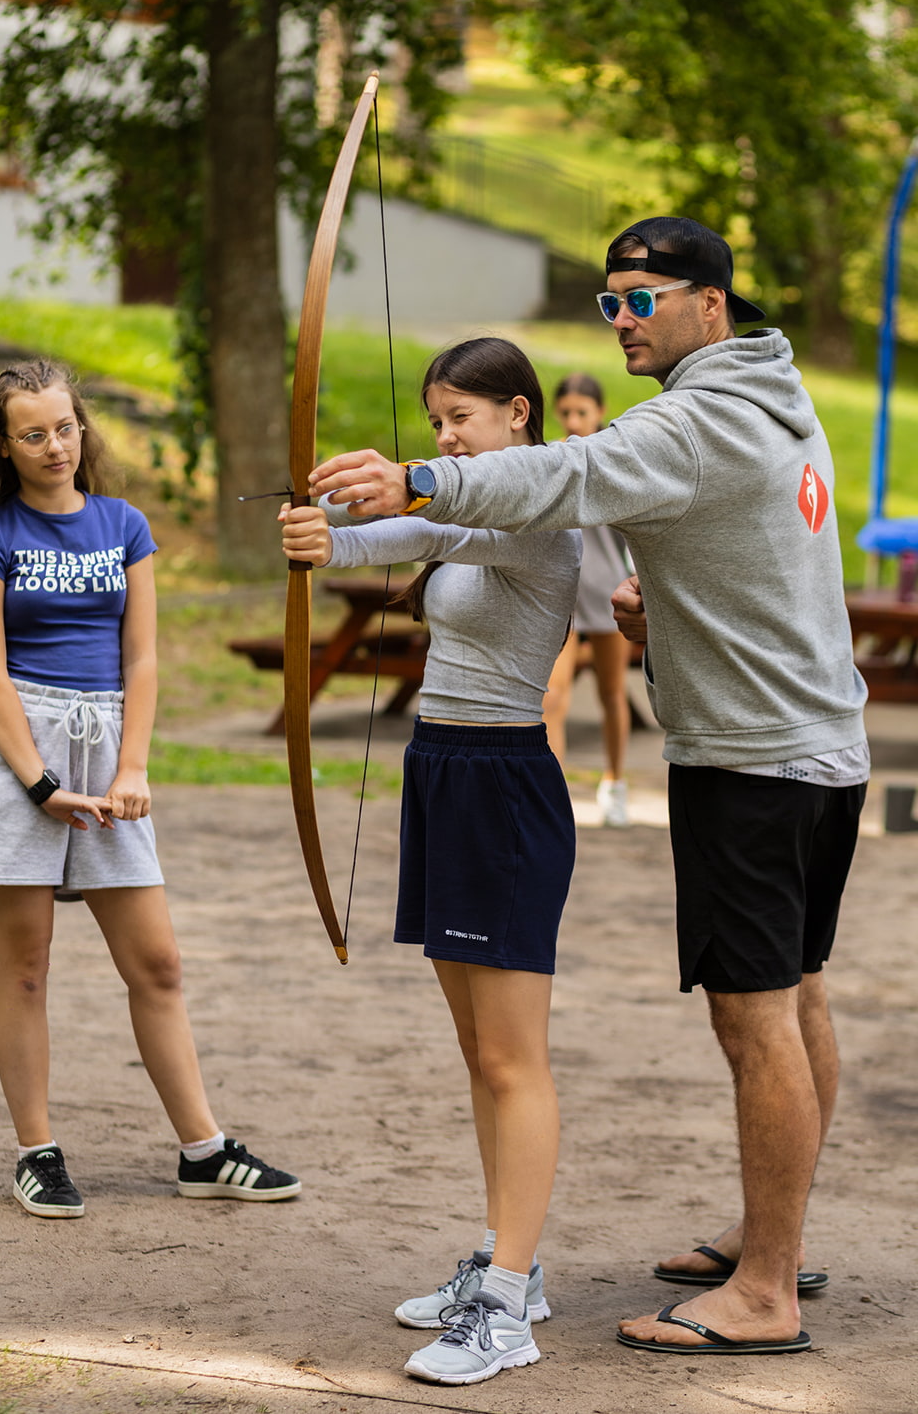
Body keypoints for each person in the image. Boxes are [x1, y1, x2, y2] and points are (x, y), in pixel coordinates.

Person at [305, 217, 869, 1357]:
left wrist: (418, 475)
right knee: (797, 992)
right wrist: (671, 617)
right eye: (609, 300)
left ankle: (765, 1289)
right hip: (815, 740)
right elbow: (762, 547)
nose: (621, 320)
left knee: (754, 1012)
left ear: (710, 304)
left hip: (753, 758)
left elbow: (570, 472)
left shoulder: (698, 416)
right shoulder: (777, 392)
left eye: (643, 299)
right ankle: (772, 1233)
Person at [0, 360, 300, 1219]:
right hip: (21, 753)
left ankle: (203, 1151)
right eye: (33, 434)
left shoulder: (124, 525)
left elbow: (143, 659)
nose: (54, 446)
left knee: (158, 964)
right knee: (25, 969)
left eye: (65, 428)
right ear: (4, 445)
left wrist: (132, 767)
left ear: (81, 429)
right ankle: (37, 1152)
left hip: (107, 748)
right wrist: (40, 783)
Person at [279, 336, 581, 1386]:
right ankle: (506, 1265)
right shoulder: (469, 510)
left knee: (511, 1058)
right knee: (476, 1048)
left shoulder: (540, 510)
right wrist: (323, 537)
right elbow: (409, 531)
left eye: (464, 418)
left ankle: (508, 1305)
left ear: (518, 415)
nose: (447, 436)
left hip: (503, 786)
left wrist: (379, 505)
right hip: (445, 773)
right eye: (437, 420)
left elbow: (439, 511)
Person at [542, 373, 633, 824]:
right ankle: (554, 795)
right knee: (552, 698)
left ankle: (615, 782)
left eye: (582, 412)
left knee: (612, 693)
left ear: (600, 411)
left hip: (610, 593)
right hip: (563, 594)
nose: (574, 420)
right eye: (566, 412)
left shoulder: (616, 459)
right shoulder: (550, 458)